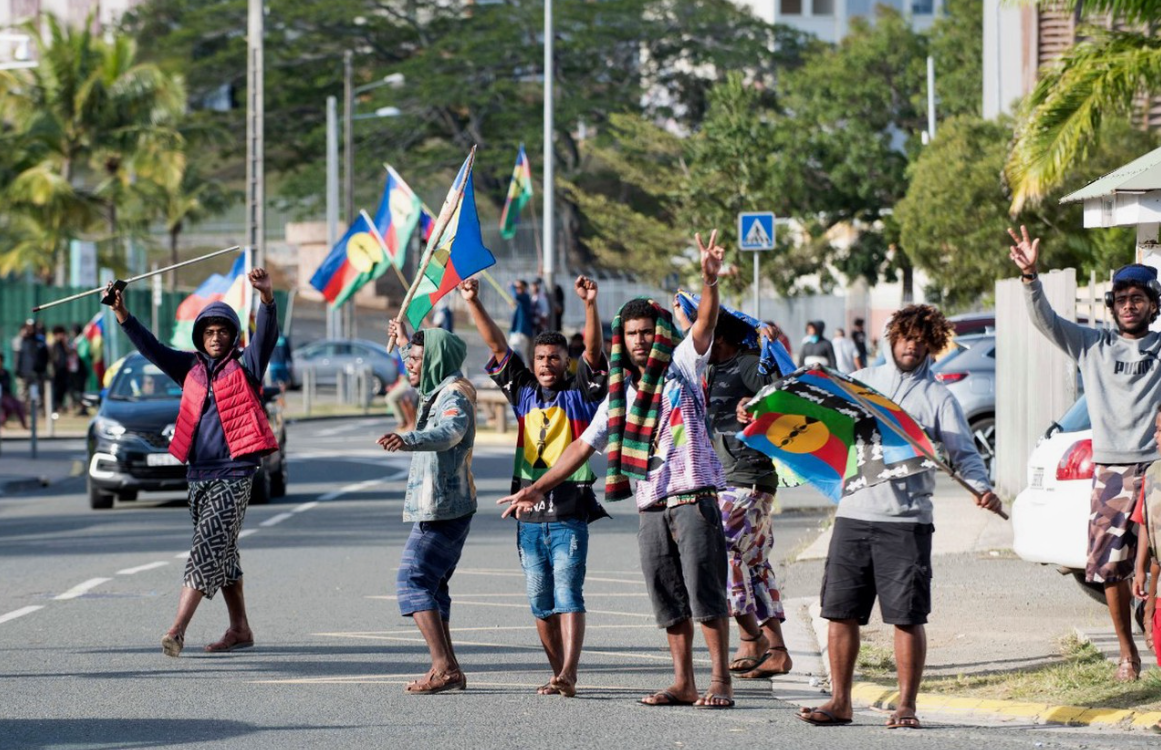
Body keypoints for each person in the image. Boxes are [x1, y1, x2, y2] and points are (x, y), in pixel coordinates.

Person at [501, 231, 737, 709]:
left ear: (660, 333)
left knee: (705, 595)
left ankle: (720, 683)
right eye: (631, 334)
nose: (640, 340)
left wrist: (709, 280)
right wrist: (535, 487)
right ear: (621, 340)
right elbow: (580, 449)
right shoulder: (620, 396)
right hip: (651, 504)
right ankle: (683, 682)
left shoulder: (683, 365)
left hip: (693, 496)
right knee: (667, 599)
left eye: (647, 332)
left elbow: (706, 323)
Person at [792, 303, 999, 729]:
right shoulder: (861, 384)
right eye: (906, 336)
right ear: (892, 338)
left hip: (906, 522)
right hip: (854, 513)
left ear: (932, 345)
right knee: (840, 611)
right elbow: (814, 420)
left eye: (922, 339)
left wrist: (982, 488)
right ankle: (840, 701)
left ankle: (906, 705)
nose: (912, 344)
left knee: (906, 616)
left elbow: (965, 455)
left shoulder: (938, 398)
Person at [1010, 225, 1160, 683]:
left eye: (1139, 297)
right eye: (1121, 298)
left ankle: (1157, 642)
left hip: (1157, 468)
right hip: (1111, 470)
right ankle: (1127, 653)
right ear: (1112, 306)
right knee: (1109, 568)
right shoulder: (1092, 345)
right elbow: (1047, 323)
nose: (1129, 304)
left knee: (1157, 562)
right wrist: (1031, 278)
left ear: (1154, 305)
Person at [108, 270, 279, 658]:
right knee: (225, 550)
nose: (216, 337)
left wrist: (266, 298)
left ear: (233, 336)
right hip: (198, 474)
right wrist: (122, 313)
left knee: (205, 548)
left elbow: (267, 335)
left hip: (235, 473)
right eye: (209, 332)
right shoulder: (188, 369)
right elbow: (150, 348)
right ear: (200, 338)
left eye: (223, 331)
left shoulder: (248, 365)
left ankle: (177, 629)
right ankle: (240, 628)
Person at [461, 273, 608, 698]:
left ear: (567, 361)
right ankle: (556, 671)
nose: (546, 364)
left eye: (554, 358)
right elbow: (497, 348)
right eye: (541, 357)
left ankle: (570, 673)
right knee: (540, 600)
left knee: (568, 593)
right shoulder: (523, 391)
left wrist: (590, 304)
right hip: (527, 518)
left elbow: (595, 351)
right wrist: (473, 302)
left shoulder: (581, 394)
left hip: (568, 512)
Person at [672, 302, 793, 680]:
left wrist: (755, 401)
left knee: (720, 552)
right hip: (726, 479)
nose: (697, 337)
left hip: (749, 478)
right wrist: (683, 312)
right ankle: (778, 651)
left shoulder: (746, 363)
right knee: (754, 563)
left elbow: (785, 395)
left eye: (704, 331)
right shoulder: (708, 368)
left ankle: (750, 637)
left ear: (719, 335)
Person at [378, 319, 477, 694]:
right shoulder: (439, 383)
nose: (410, 365)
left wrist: (409, 439)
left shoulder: (453, 395)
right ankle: (448, 667)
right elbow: (415, 355)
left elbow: (448, 433)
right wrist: (405, 337)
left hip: (443, 507)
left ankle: (444, 667)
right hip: (443, 505)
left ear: (434, 359)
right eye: (410, 358)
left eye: (418, 359)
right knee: (433, 587)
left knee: (412, 579)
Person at [384, 348, 419, 432]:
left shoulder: (407, 347)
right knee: (405, 398)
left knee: (408, 398)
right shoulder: (397, 351)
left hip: (412, 379)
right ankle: (407, 422)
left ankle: (410, 423)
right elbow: (404, 369)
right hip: (407, 379)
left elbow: (408, 362)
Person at [16, 321, 48, 411]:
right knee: (23, 395)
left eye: (31, 327)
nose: (30, 329)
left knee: (37, 394)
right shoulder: (22, 340)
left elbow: (45, 356)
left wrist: (42, 369)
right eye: (28, 327)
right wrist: (18, 370)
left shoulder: (40, 340)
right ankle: (22, 411)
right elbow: (19, 356)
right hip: (24, 372)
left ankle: (38, 411)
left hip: (37, 372)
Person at [509, 280, 535, 363]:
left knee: (518, 356)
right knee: (522, 357)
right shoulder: (521, 301)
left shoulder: (525, 297)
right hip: (517, 332)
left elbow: (516, 296)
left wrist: (511, 286)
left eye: (518, 287)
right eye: (516, 287)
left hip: (521, 333)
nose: (517, 289)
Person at [0, 353, 28, 429]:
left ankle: (24, 425)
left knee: (18, 405)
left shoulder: (5, 373)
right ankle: (2, 422)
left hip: (6, 395)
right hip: (2, 397)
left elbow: (7, 385)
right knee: (9, 406)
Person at [49, 326, 72, 416]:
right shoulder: (52, 344)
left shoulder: (64, 344)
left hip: (64, 370)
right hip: (55, 371)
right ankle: (53, 407)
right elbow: (51, 357)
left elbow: (69, 352)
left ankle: (60, 406)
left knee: (63, 389)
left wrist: (65, 343)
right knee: (55, 390)